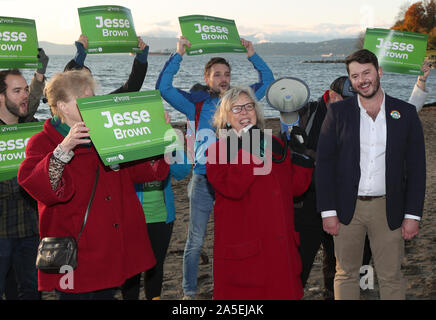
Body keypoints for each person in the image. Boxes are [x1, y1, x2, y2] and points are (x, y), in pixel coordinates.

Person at [17, 70, 170, 299]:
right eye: (84, 99)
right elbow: (41, 188)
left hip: (109, 247)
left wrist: (158, 137)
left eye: (93, 97)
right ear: (63, 106)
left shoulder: (109, 134)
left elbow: (146, 173)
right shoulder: (43, 141)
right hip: (75, 252)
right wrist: (63, 150)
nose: (93, 104)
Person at [156, 36, 274, 299]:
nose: (223, 78)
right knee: (195, 240)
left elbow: (268, 80)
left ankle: (232, 285)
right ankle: (189, 292)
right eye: (217, 74)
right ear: (206, 77)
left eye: (227, 74)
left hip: (235, 179)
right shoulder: (195, 104)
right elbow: (163, 88)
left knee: (233, 238)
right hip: (203, 178)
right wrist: (178, 55)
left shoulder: (240, 101)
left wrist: (252, 55)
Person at [315, 49, 426, 300]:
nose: (362, 80)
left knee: (391, 275)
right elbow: (324, 165)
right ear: (351, 81)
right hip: (346, 209)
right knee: (345, 274)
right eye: (355, 76)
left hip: (389, 207)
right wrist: (328, 211)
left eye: (367, 72)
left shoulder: (405, 113)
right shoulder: (338, 113)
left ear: (379, 72)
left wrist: (413, 215)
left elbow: (418, 168)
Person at [205, 86, 313, 299]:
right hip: (249, 254)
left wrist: (301, 157)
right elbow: (233, 188)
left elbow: (295, 189)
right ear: (226, 119)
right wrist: (251, 146)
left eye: (248, 106)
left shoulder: (275, 143)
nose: (244, 112)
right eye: (236, 109)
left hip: (281, 251)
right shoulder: (217, 151)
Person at [0, 49, 49, 300]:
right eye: (16, 91)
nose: (25, 96)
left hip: (30, 229)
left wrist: (39, 74)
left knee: (31, 291)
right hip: (2, 231)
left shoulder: (28, 126)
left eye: (25, 90)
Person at [121, 150, 191, 300]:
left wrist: (169, 146)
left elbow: (183, 171)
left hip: (161, 217)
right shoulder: (130, 142)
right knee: (132, 270)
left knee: (156, 267)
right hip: (132, 218)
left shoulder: (164, 143)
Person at [64, 34, 149, 94]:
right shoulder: (63, 113)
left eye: (88, 79)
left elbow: (131, 88)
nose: (85, 84)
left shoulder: (102, 106)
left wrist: (141, 60)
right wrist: (79, 56)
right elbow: (64, 84)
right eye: (80, 80)